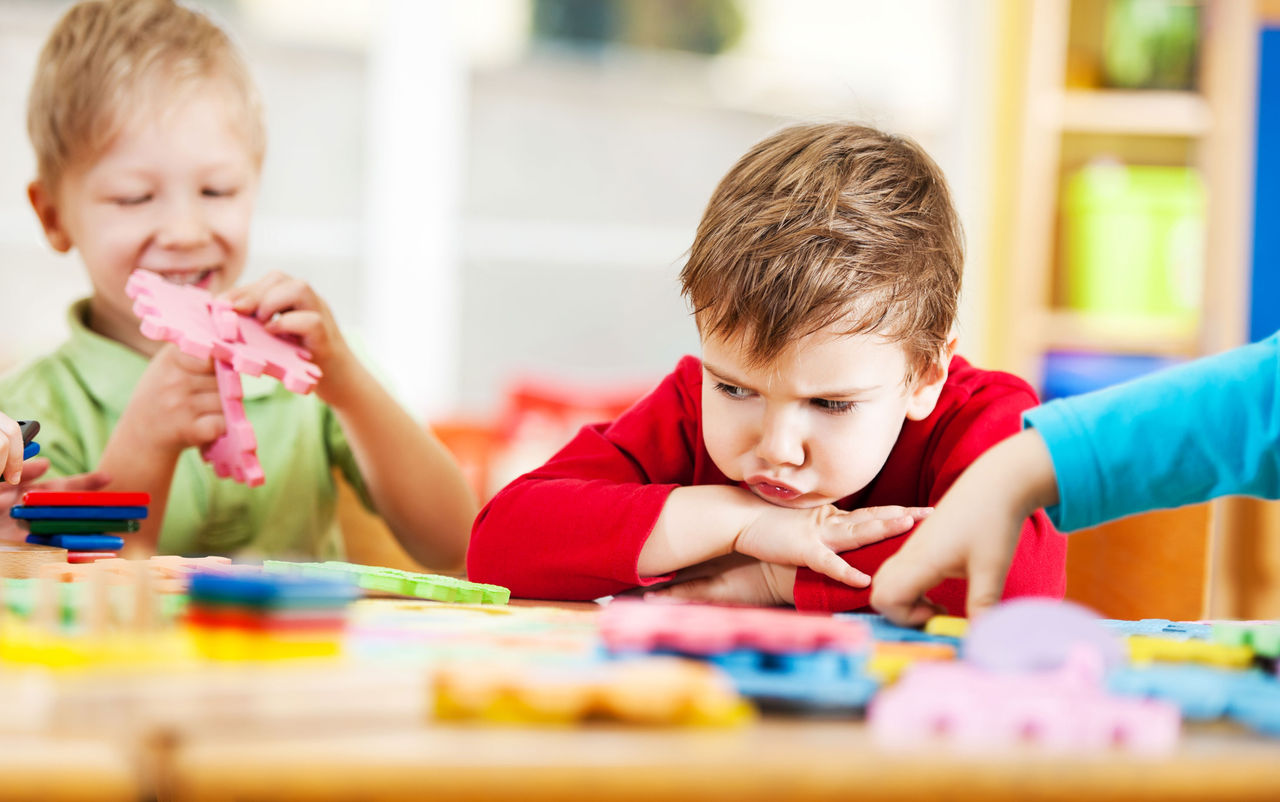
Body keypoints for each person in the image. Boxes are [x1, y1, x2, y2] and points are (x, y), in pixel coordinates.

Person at [468, 122, 1067, 611]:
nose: (778, 448)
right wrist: (741, 522)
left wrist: (779, 577)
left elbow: (1014, 582)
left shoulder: (986, 416)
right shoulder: (685, 406)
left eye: (830, 404)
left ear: (926, 375)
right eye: (734, 388)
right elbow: (501, 542)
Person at [1, 0, 475, 565]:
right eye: (135, 197)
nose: (184, 231)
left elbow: (461, 541)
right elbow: (73, 604)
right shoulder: (32, 414)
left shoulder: (313, 372)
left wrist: (347, 384)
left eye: (218, 190)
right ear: (54, 216)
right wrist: (145, 443)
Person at [871, 333, 1280, 625]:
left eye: (833, 403)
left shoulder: (983, 408)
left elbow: (1007, 596)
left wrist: (804, 578)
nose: (801, 452)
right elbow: (1262, 398)